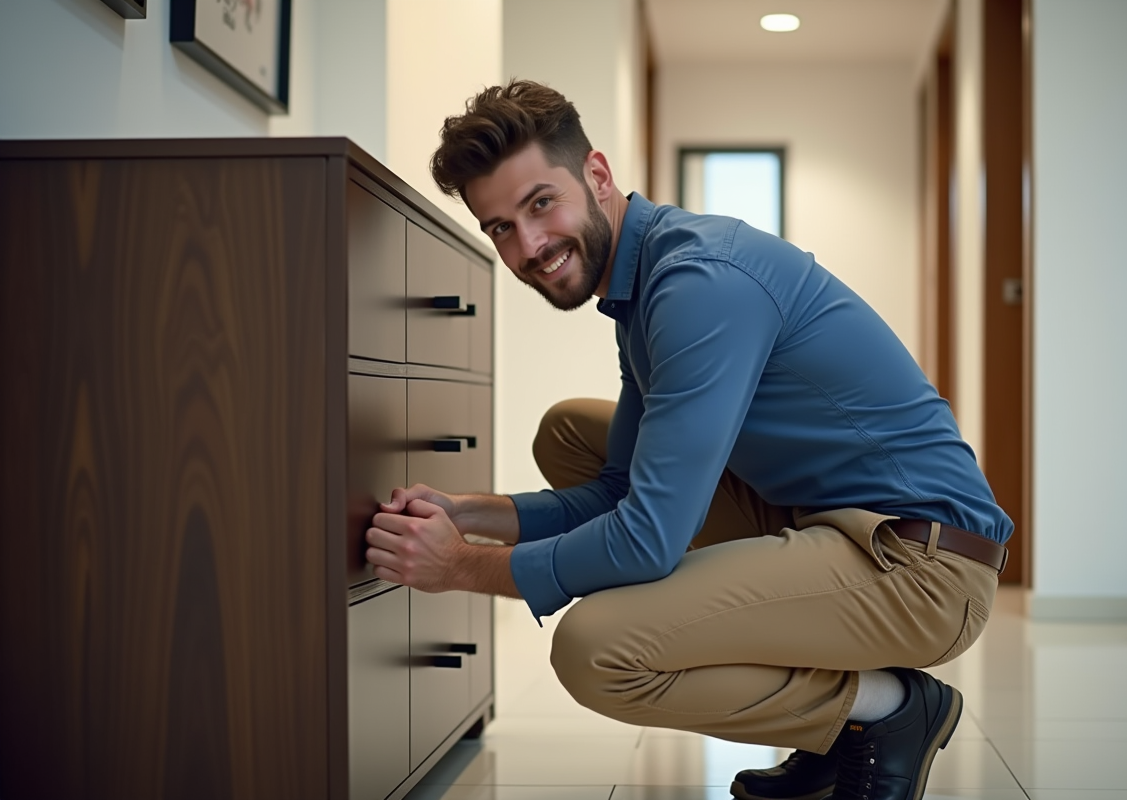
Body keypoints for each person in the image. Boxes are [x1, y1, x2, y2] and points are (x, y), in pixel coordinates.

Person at [364, 79, 1012, 800]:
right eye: (501, 228)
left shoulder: (699, 282)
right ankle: (836, 728)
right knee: (573, 432)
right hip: (825, 524)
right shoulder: (642, 288)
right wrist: (472, 515)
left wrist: (463, 569)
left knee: (597, 649)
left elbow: (646, 540)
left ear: (598, 175)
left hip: (920, 568)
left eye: (540, 204)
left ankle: (882, 712)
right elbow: (619, 489)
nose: (530, 246)